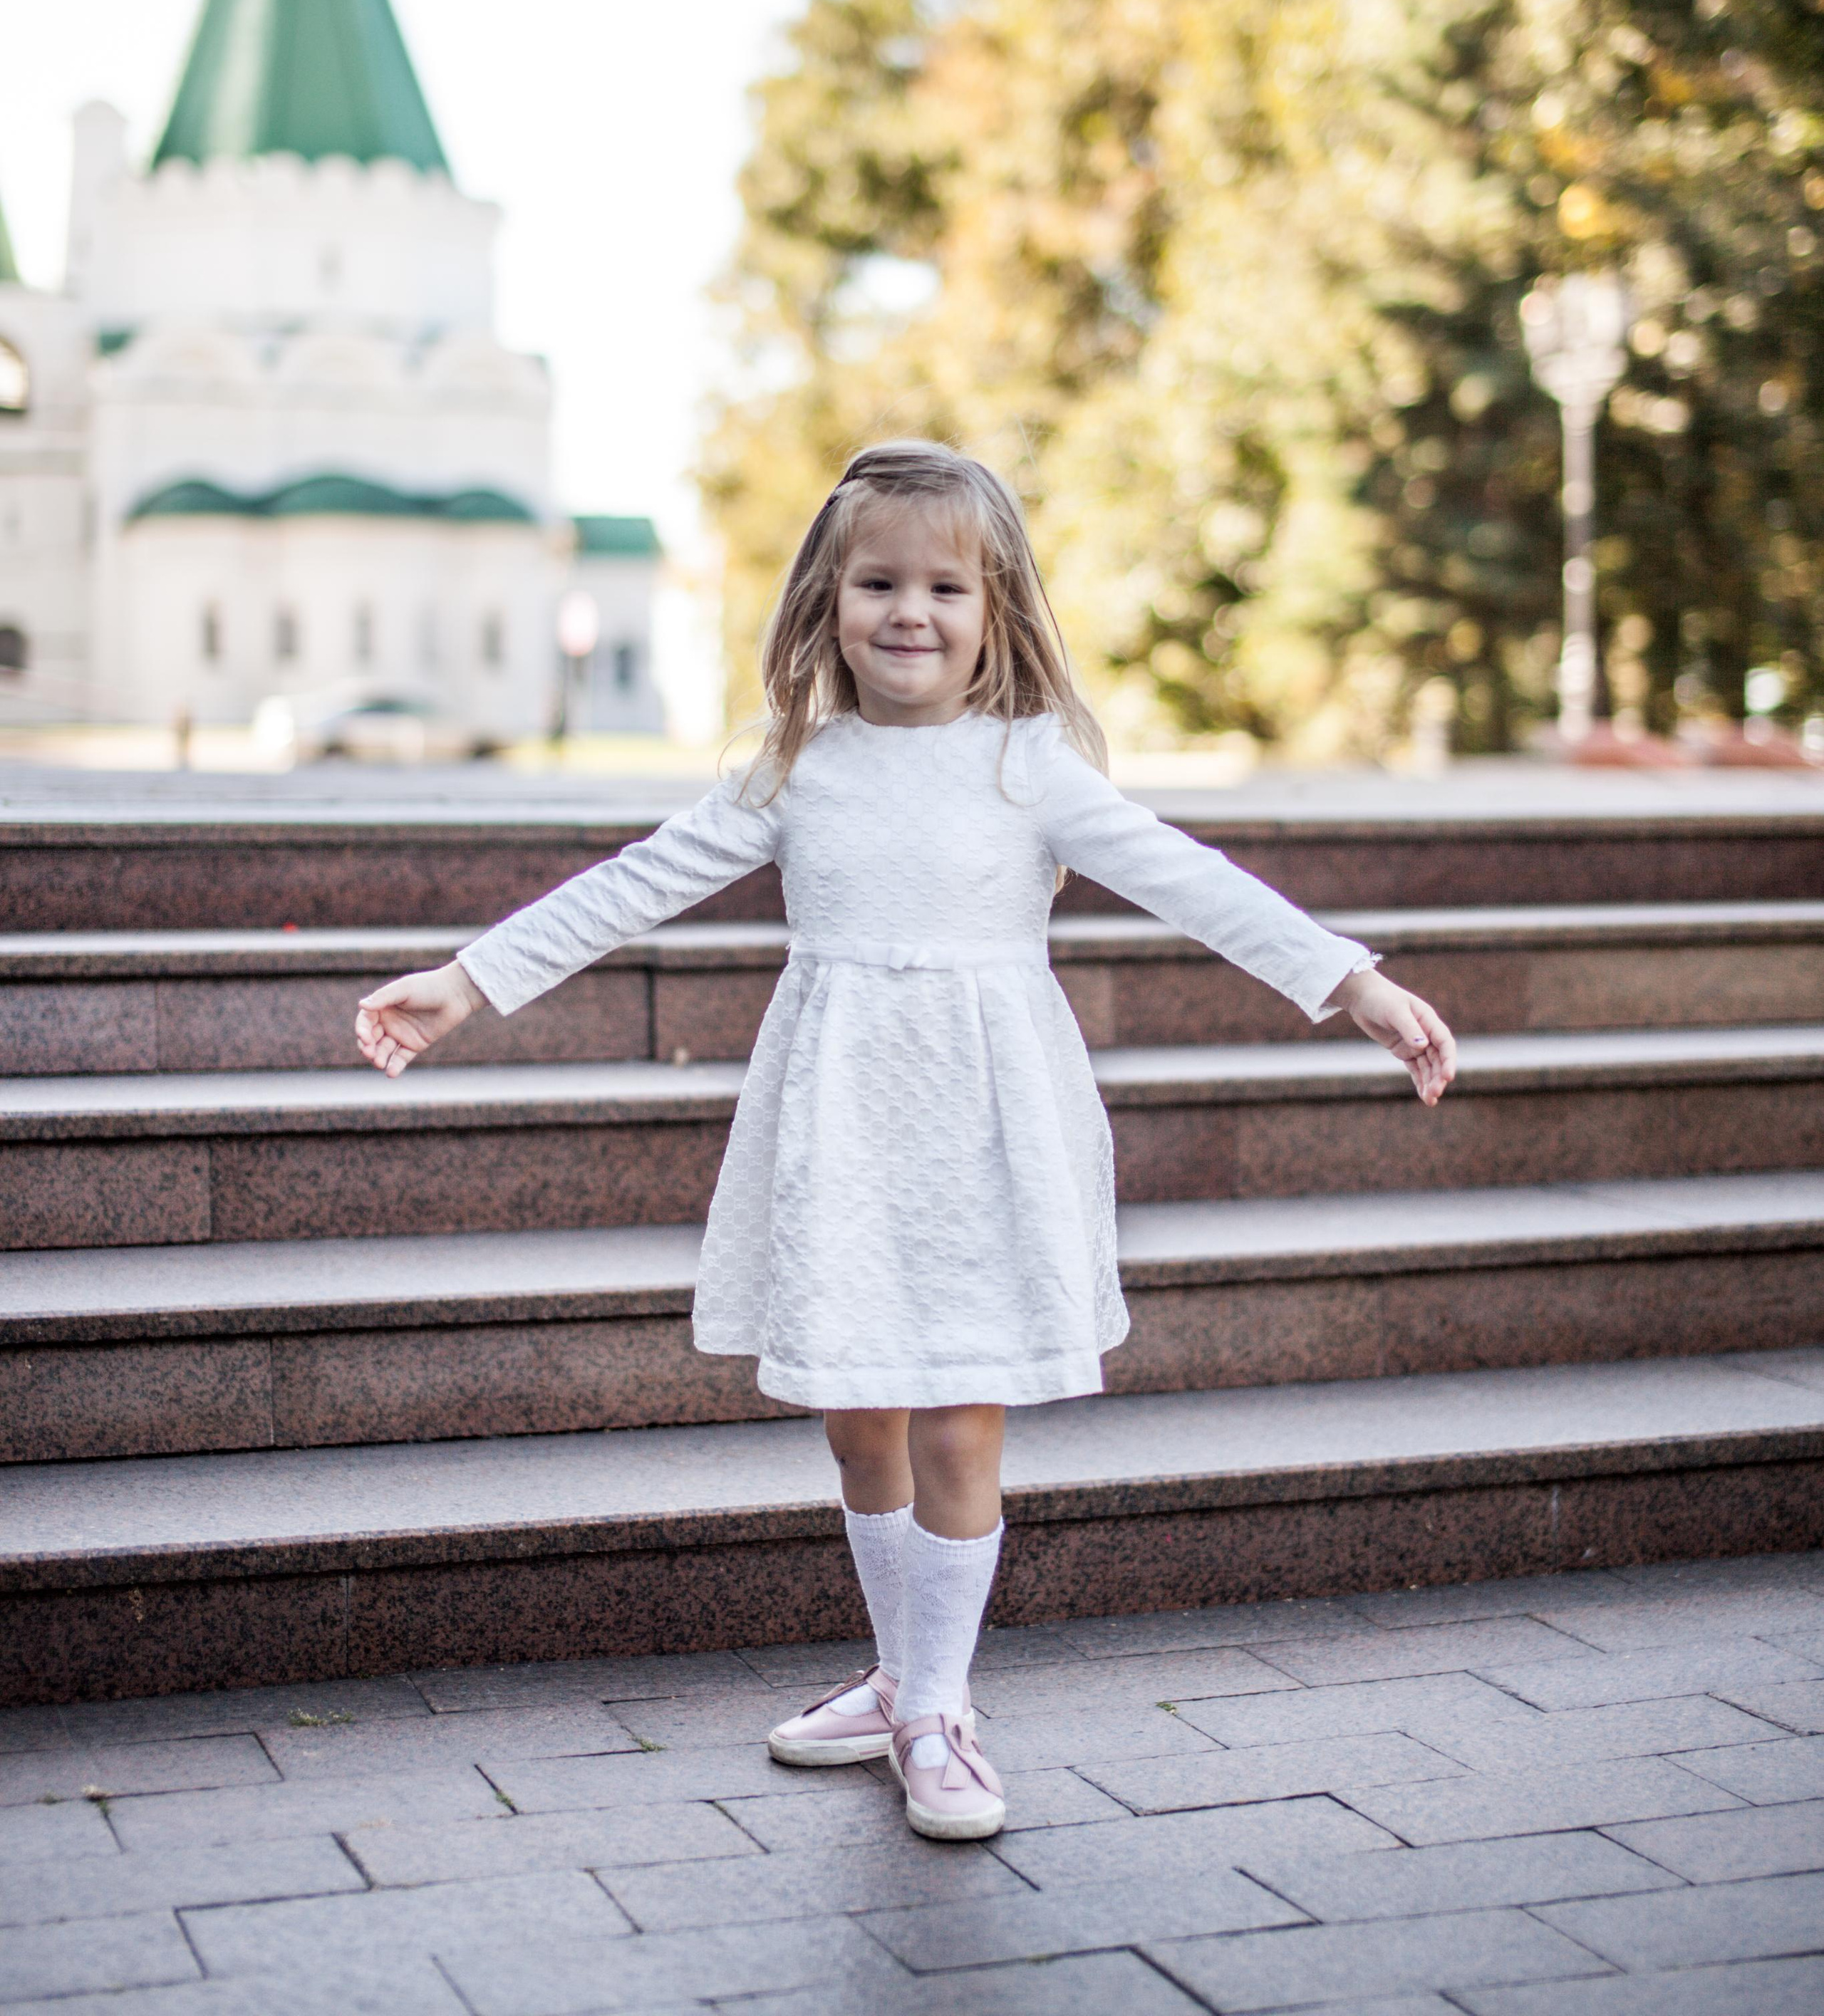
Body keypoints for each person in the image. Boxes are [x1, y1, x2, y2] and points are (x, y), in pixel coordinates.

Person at [355, 441, 1456, 1841]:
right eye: (878, 582)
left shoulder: (1028, 767)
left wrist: (1349, 982)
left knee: (958, 1411)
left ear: (997, 610)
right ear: (827, 600)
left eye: (946, 587)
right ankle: (895, 1677)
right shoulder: (793, 770)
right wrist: (467, 982)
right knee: (858, 1414)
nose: (909, 612)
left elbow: (1191, 880)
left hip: (990, 1132)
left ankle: (939, 1706)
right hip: (841, 1134)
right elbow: (632, 886)